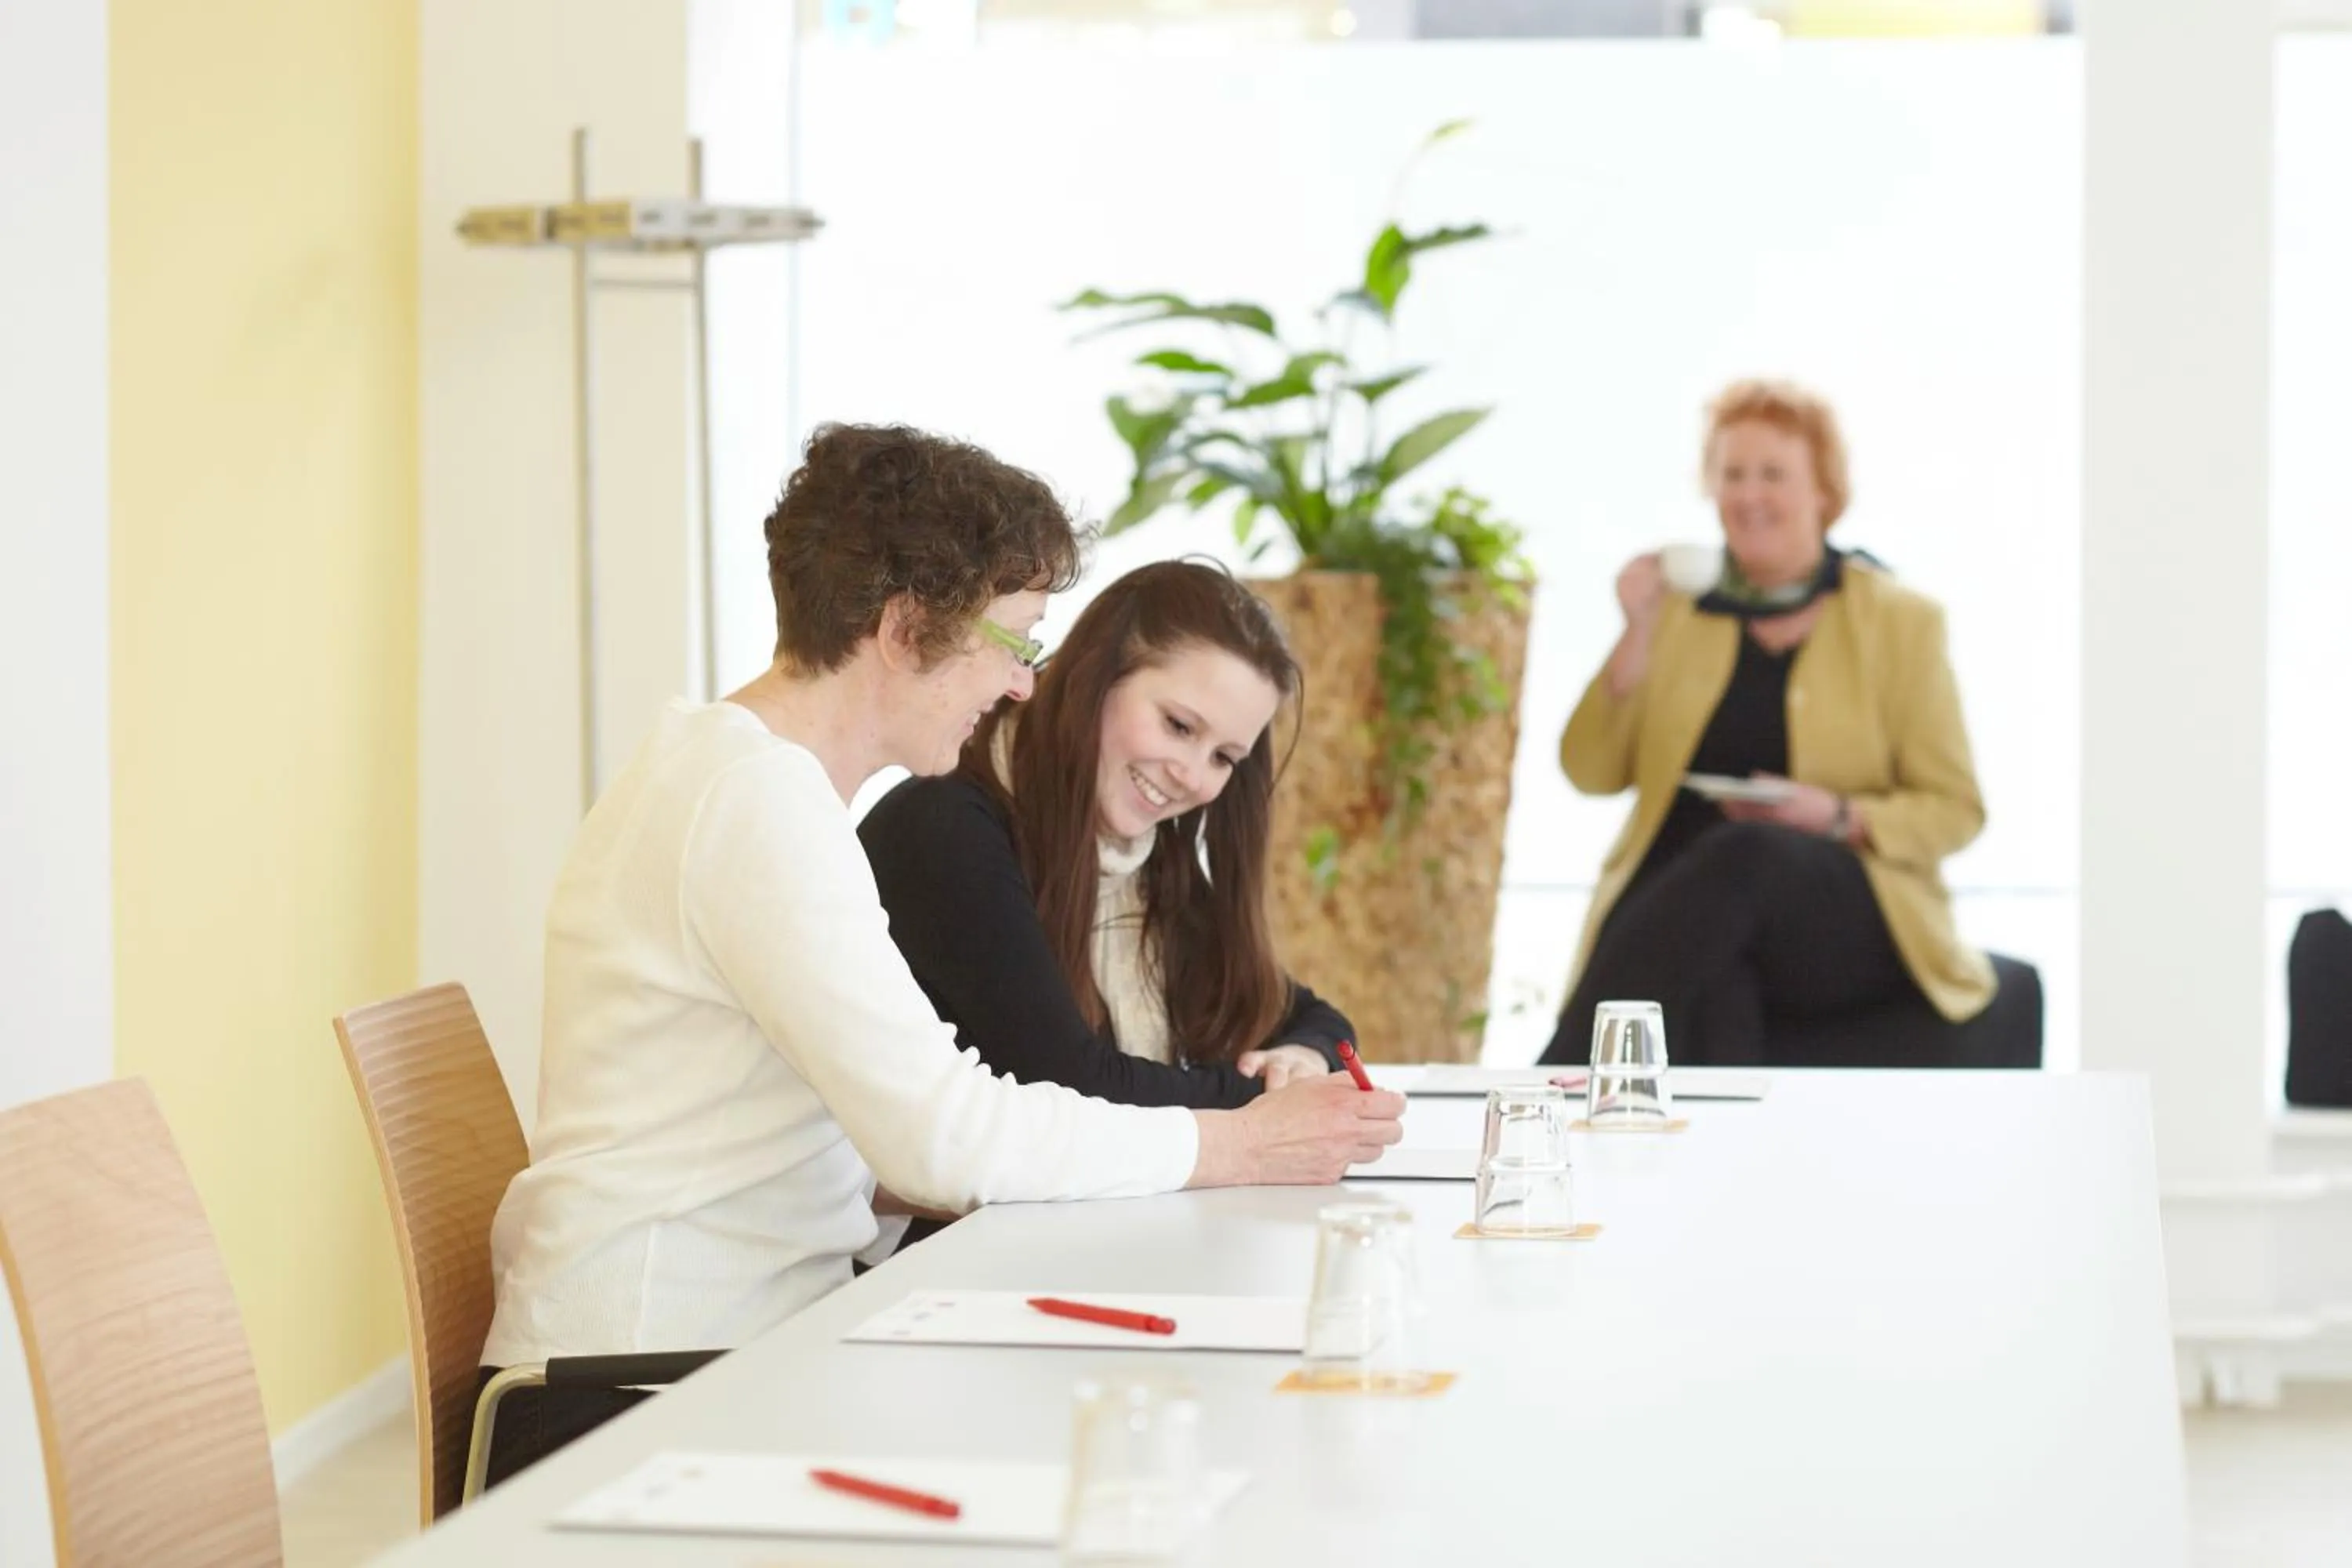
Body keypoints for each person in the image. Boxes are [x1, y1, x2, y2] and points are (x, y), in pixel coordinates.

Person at [479, 426, 1404, 1480]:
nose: (1021, 690)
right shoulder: (755, 804)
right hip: (635, 1407)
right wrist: (1238, 1144)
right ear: (905, 627)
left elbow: (876, 1140)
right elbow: (945, 1139)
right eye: (1013, 647)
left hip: (715, 1362)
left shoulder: (748, 781)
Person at [1539, 380, 1994, 1067]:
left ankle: (1553, 1080)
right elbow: (1590, 771)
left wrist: (1835, 815)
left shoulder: (1901, 622)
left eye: (1773, 474)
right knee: (1719, 977)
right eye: (1732, 475)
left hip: (1845, 906)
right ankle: (1721, 1167)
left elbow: (1957, 812)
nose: (1749, 495)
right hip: (1689, 909)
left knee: (1745, 853)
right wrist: (1636, 630)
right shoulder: (1684, 610)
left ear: (1824, 492)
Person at [858, 559, 1351, 1117]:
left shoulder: (1141, 856)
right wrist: (1269, 1099)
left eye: (1222, 757)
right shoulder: (947, 831)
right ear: (1096, 678)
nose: (1191, 774)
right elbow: (1070, 1084)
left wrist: (1302, 1059)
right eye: (1179, 726)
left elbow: (1316, 1022)